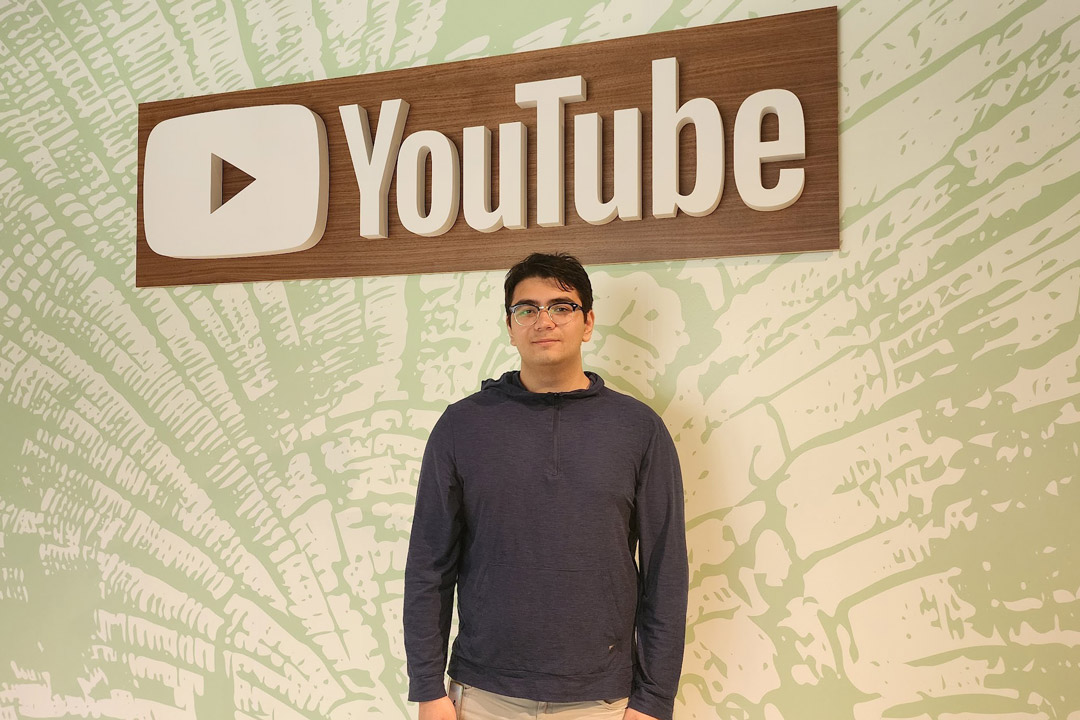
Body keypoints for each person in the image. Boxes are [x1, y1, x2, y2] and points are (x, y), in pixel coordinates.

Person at [404, 252, 688, 720]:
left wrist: (654, 701)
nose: (544, 321)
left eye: (562, 306)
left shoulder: (639, 429)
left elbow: (666, 572)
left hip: (603, 701)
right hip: (481, 695)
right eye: (527, 309)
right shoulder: (462, 425)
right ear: (510, 326)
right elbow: (428, 567)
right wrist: (427, 690)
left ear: (588, 321)